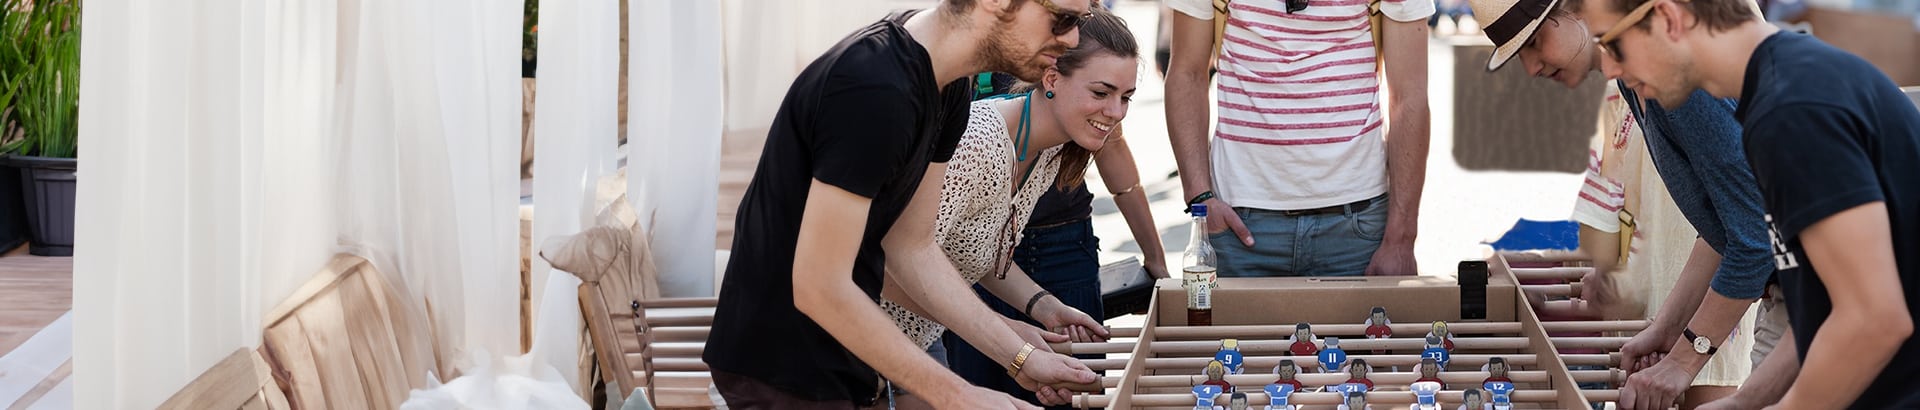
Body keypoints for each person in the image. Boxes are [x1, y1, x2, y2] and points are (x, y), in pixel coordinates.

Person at [703, 0, 1102, 407]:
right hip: (780, 370)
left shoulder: (948, 85)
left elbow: (913, 247)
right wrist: (959, 395)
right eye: (1063, 19)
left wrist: (1020, 359)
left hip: (841, 365)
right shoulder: (875, 87)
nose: (1071, 38)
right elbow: (818, 285)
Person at [1581, 0, 1920, 406]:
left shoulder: (1791, 109)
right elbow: (1824, 302)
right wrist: (1744, 403)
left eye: (1613, 45)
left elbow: (1875, 320)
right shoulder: (1773, 97)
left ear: (1669, 18)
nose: (1610, 69)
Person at [1464, 0, 1774, 407]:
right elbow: (1722, 228)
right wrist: (1667, 329)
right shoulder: (1632, 75)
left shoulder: (1672, 73)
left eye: (1536, 42)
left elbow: (1755, 237)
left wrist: (1682, 360)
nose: (1531, 68)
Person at [889, 8, 1138, 408]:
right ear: (1052, 78)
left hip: (917, 339)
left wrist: (1044, 306)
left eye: (1125, 97)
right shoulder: (979, 143)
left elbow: (972, 248)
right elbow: (892, 264)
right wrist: (1011, 340)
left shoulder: (1052, 148)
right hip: (862, 344)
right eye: (1101, 93)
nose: (1116, 112)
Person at [1163, 0, 1436, 278]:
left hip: (1356, 224)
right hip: (1238, 221)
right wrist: (1200, 199)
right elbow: (1187, 73)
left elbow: (1408, 97)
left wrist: (1401, 239)